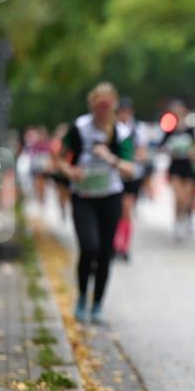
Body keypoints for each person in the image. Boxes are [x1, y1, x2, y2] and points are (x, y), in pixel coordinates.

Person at [56, 82, 136, 324]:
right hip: (83, 197)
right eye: (98, 106)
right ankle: (81, 297)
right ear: (92, 105)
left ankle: (98, 303)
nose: (102, 110)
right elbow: (59, 159)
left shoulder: (120, 132)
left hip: (110, 197)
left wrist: (110, 158)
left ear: (113, 105)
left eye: (106, 105)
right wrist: (70, 172)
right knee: (88, 247)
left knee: (104, 253)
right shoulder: (79, 128)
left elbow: (130, 170)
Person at [160, 99, 195, 241]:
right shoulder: (169, 130)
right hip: (175, 167)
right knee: (179, 198)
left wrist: (194, 152)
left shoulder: (190, 129)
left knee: (188, 199)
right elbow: (162, 146)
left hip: (189, 167)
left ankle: (187, 218)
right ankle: (178, 223)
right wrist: (170, 151)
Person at [113, 97, 147, 260]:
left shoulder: (137, 129)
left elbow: (142, 152)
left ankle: (124, 246)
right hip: (115, 175)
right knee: (115, 211)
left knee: (126, 209)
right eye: (121, 111)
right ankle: (114, 243)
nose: (124, 115)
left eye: (127, 111)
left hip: (132, 175)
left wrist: (132, 157)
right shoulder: (112, 129)